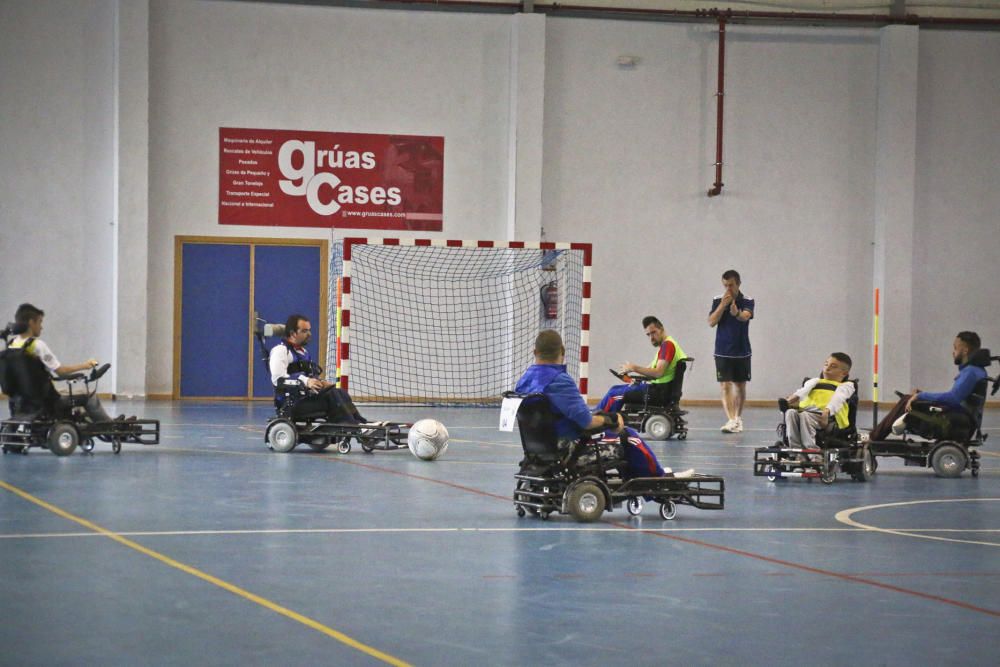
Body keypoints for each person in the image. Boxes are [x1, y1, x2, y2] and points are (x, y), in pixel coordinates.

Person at [516, 330, 691, 479]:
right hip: (566, 451)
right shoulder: (560, 381)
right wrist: (612, 419)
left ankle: (645, 473)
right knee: (627, 436)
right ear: (562, 351)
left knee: (608, 422)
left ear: (534, 352)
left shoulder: (523, 382)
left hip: (536, 451)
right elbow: (587, 423)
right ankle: (659, 477)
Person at [870, 331, 987, 441]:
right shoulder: (976, 371)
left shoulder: (970, 372)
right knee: (912, 398)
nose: (953, 352)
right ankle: (878, 434)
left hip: (957, 420)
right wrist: (922, 395)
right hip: (963, 417)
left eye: (955, 348)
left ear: (965, 350)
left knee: (906, 400)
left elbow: (953, 398)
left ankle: (873, 438)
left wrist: (922, 395)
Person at [7, 303, 112, 422]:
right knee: (89, 395)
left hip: (20, 399)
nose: (41, 327)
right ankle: (110, 426)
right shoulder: (37, 345)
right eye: (40, 322)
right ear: (31, 322)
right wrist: (85, 365)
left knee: (68, 393)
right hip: (45, 400)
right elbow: (61, 372)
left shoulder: (12, 345)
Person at [269, 314, 371, 424]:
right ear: (293, 333)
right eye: (304, 331)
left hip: (306, 398)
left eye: (309, 330)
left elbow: (310, 376)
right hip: (291, 404)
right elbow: (278, 380)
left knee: (340, 392)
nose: (309, 334)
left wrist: (320, 382)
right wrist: (306, 381)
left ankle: (360, 421)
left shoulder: (303, 352)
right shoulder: (281, 351)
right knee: (332, 396)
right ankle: (352, 425)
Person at [595, 316, 687, 413]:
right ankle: (604, 417)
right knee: (614, 389)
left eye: (653, 332)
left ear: (661, 329)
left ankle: (599, 419)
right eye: (648, 335)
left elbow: (658, 373)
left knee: (614, 395)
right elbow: (650, 370)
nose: (651, 338)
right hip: (659, 390)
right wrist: (632, 378)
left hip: (659, 393)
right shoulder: (667, 345)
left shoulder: (668, 346)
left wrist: (633, 367)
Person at [708, 269, 754, 433]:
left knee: (740, 386)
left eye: (731, 285)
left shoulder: (748, 300)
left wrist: (737, 313)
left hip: (741, 350)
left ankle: (738, 418)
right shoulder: (717, 300)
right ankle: (731, 420)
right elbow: (711, 322)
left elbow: (745, 317)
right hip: (722, 351)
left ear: (738, 284)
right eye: (725, 285)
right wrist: (722, 305)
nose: (728, 289)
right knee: (725, 385)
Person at [783, 353, 855, 450]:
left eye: (833, 367)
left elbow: (838, 398)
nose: (827, 368)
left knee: (805, 416)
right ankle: (795, 449)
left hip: (828, 418)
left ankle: (812, 451)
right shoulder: (814, 381)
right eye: (826, 364)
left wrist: (827, 411)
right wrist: (793, 397)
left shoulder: (846, 386)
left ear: (844, 373)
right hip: (806, 411)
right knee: (790, 413)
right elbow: (803, 391)